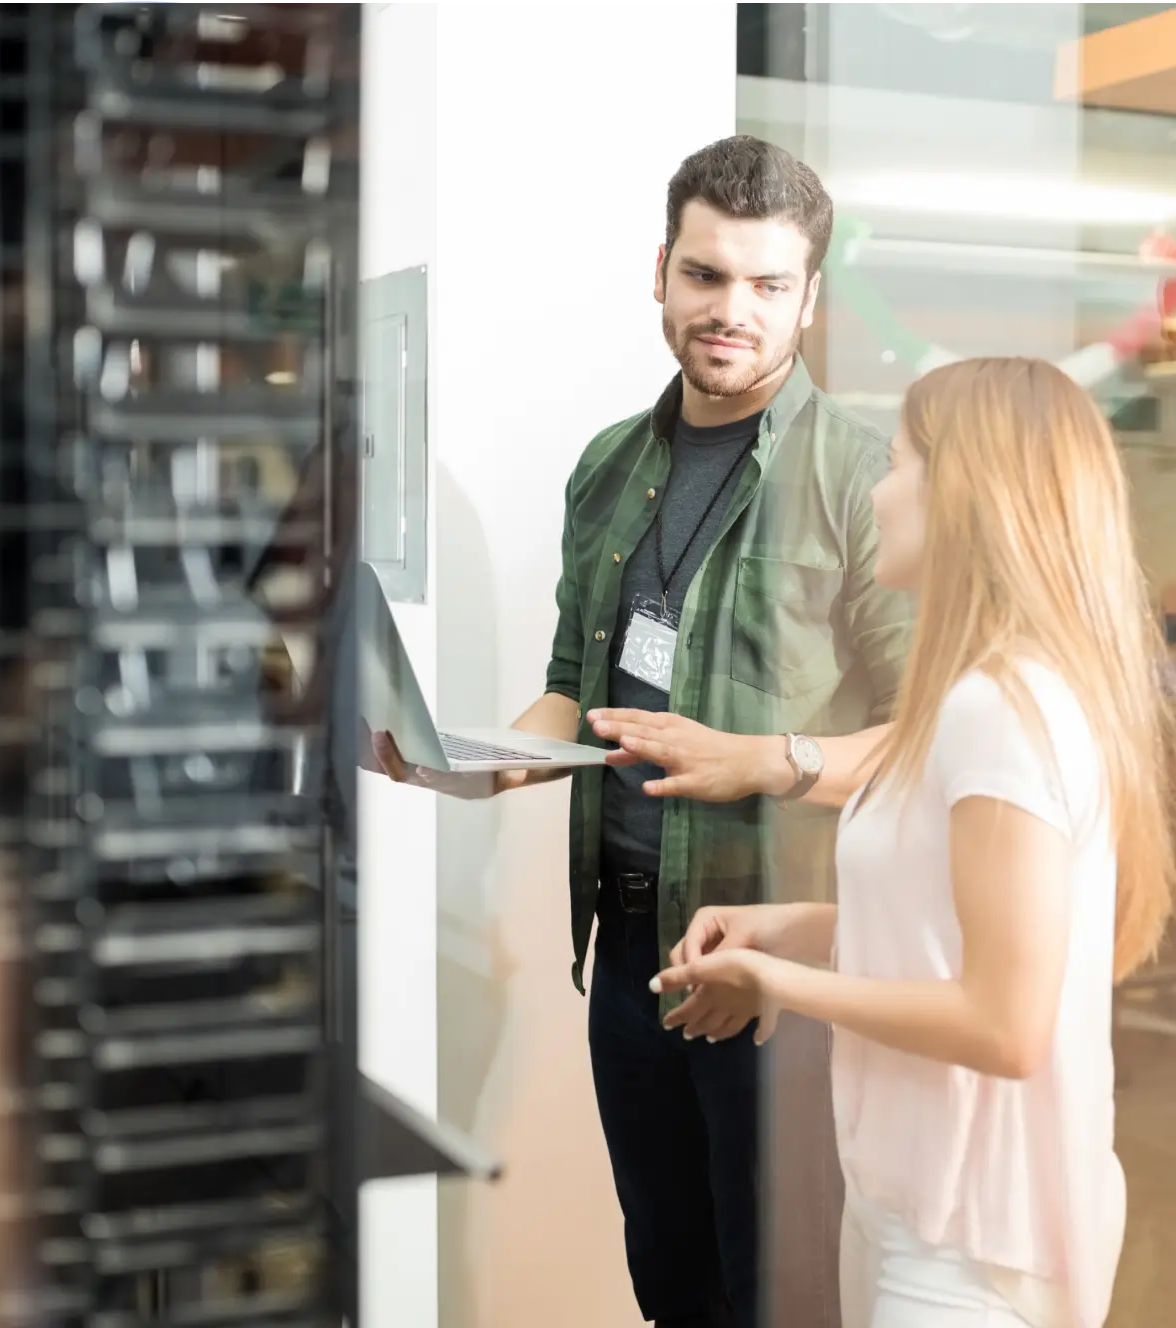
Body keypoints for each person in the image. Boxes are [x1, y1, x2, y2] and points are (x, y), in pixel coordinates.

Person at [367, 135, 911, 1327]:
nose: (733, 312)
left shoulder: (867, 478)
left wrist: (765, 760)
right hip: (629, 949)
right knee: (671, 1282)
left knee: (784, 1294)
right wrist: (468, 760)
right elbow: (574, 684)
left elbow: (926, 742)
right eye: (708, 276)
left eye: (770, 286)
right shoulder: (609, 467)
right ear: (662, 269)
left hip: (782, 966)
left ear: (810, 297)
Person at [596, 357, 1176, 1328]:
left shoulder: (1002, 709)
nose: (878, 489)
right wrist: (791, 926)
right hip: (910, 1192)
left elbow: (1005, 1024)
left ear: (966, 492)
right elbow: (952, 920)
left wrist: (775, 985)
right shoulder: (977, 694)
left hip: (969, 1235)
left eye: (902, 462)